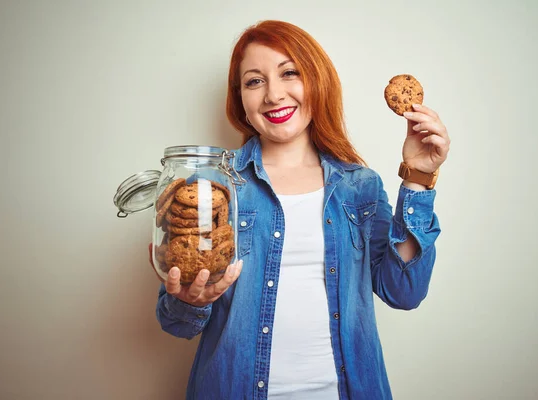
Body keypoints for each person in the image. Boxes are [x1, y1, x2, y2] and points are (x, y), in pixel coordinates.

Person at [152, 20, 450, 400]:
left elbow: (403, 291)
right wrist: (188, 300)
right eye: (254, 81)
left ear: (316, 82)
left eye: (289, 73)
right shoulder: (214, 186)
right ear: (239, 98)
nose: (274, 95)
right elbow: (176, 323)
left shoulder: (359, 186)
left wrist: (418, 179)